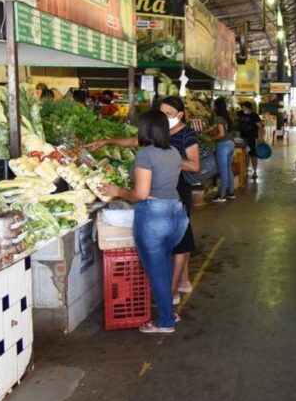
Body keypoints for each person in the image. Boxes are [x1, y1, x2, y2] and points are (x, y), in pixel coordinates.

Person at [89, 96, 200, 304]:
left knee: (179, 244)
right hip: (160, 193)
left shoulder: (186, 136)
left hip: (176, 193)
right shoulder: (159, 136)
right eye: (162, 114)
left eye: (169, 114)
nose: (165, 118)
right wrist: (108, 141)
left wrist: (164, 161)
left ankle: (172, 292)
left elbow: (195, 166)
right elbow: (133, 141)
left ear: (180, 115)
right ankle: (179, 284)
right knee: (172, 245)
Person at [100, 110, 189, 333]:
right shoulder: (174, 152)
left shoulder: (145, 155)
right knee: (164, 265)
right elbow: (168, 183)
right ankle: (169, 312)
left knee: (157, 271)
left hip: (154, 216)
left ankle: (165, 322)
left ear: (145, 130)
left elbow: (141, 194)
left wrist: (117, 190)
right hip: (177, 214)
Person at [207, 97, 236, 203]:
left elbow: (221, 133)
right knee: (228, 170)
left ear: (216, 106)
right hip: (231, 144)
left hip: (223, 145)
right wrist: (205, 130)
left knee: (223, 172)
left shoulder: (218, 117)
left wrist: (211, 138)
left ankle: (221, 195)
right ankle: (231, 193)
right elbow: (215, 127)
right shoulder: (226, 117)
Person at [238, 101, 264, 180]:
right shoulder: (241, 114)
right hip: (243, 138)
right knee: (245, 155)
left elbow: (260, 127)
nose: (242, 109)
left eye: (243, 107)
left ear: (247, 108)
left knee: (253, 155)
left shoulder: (254, 116)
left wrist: (260, 137)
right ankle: (245, 170)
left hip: (252, 138)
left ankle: (255, 171)